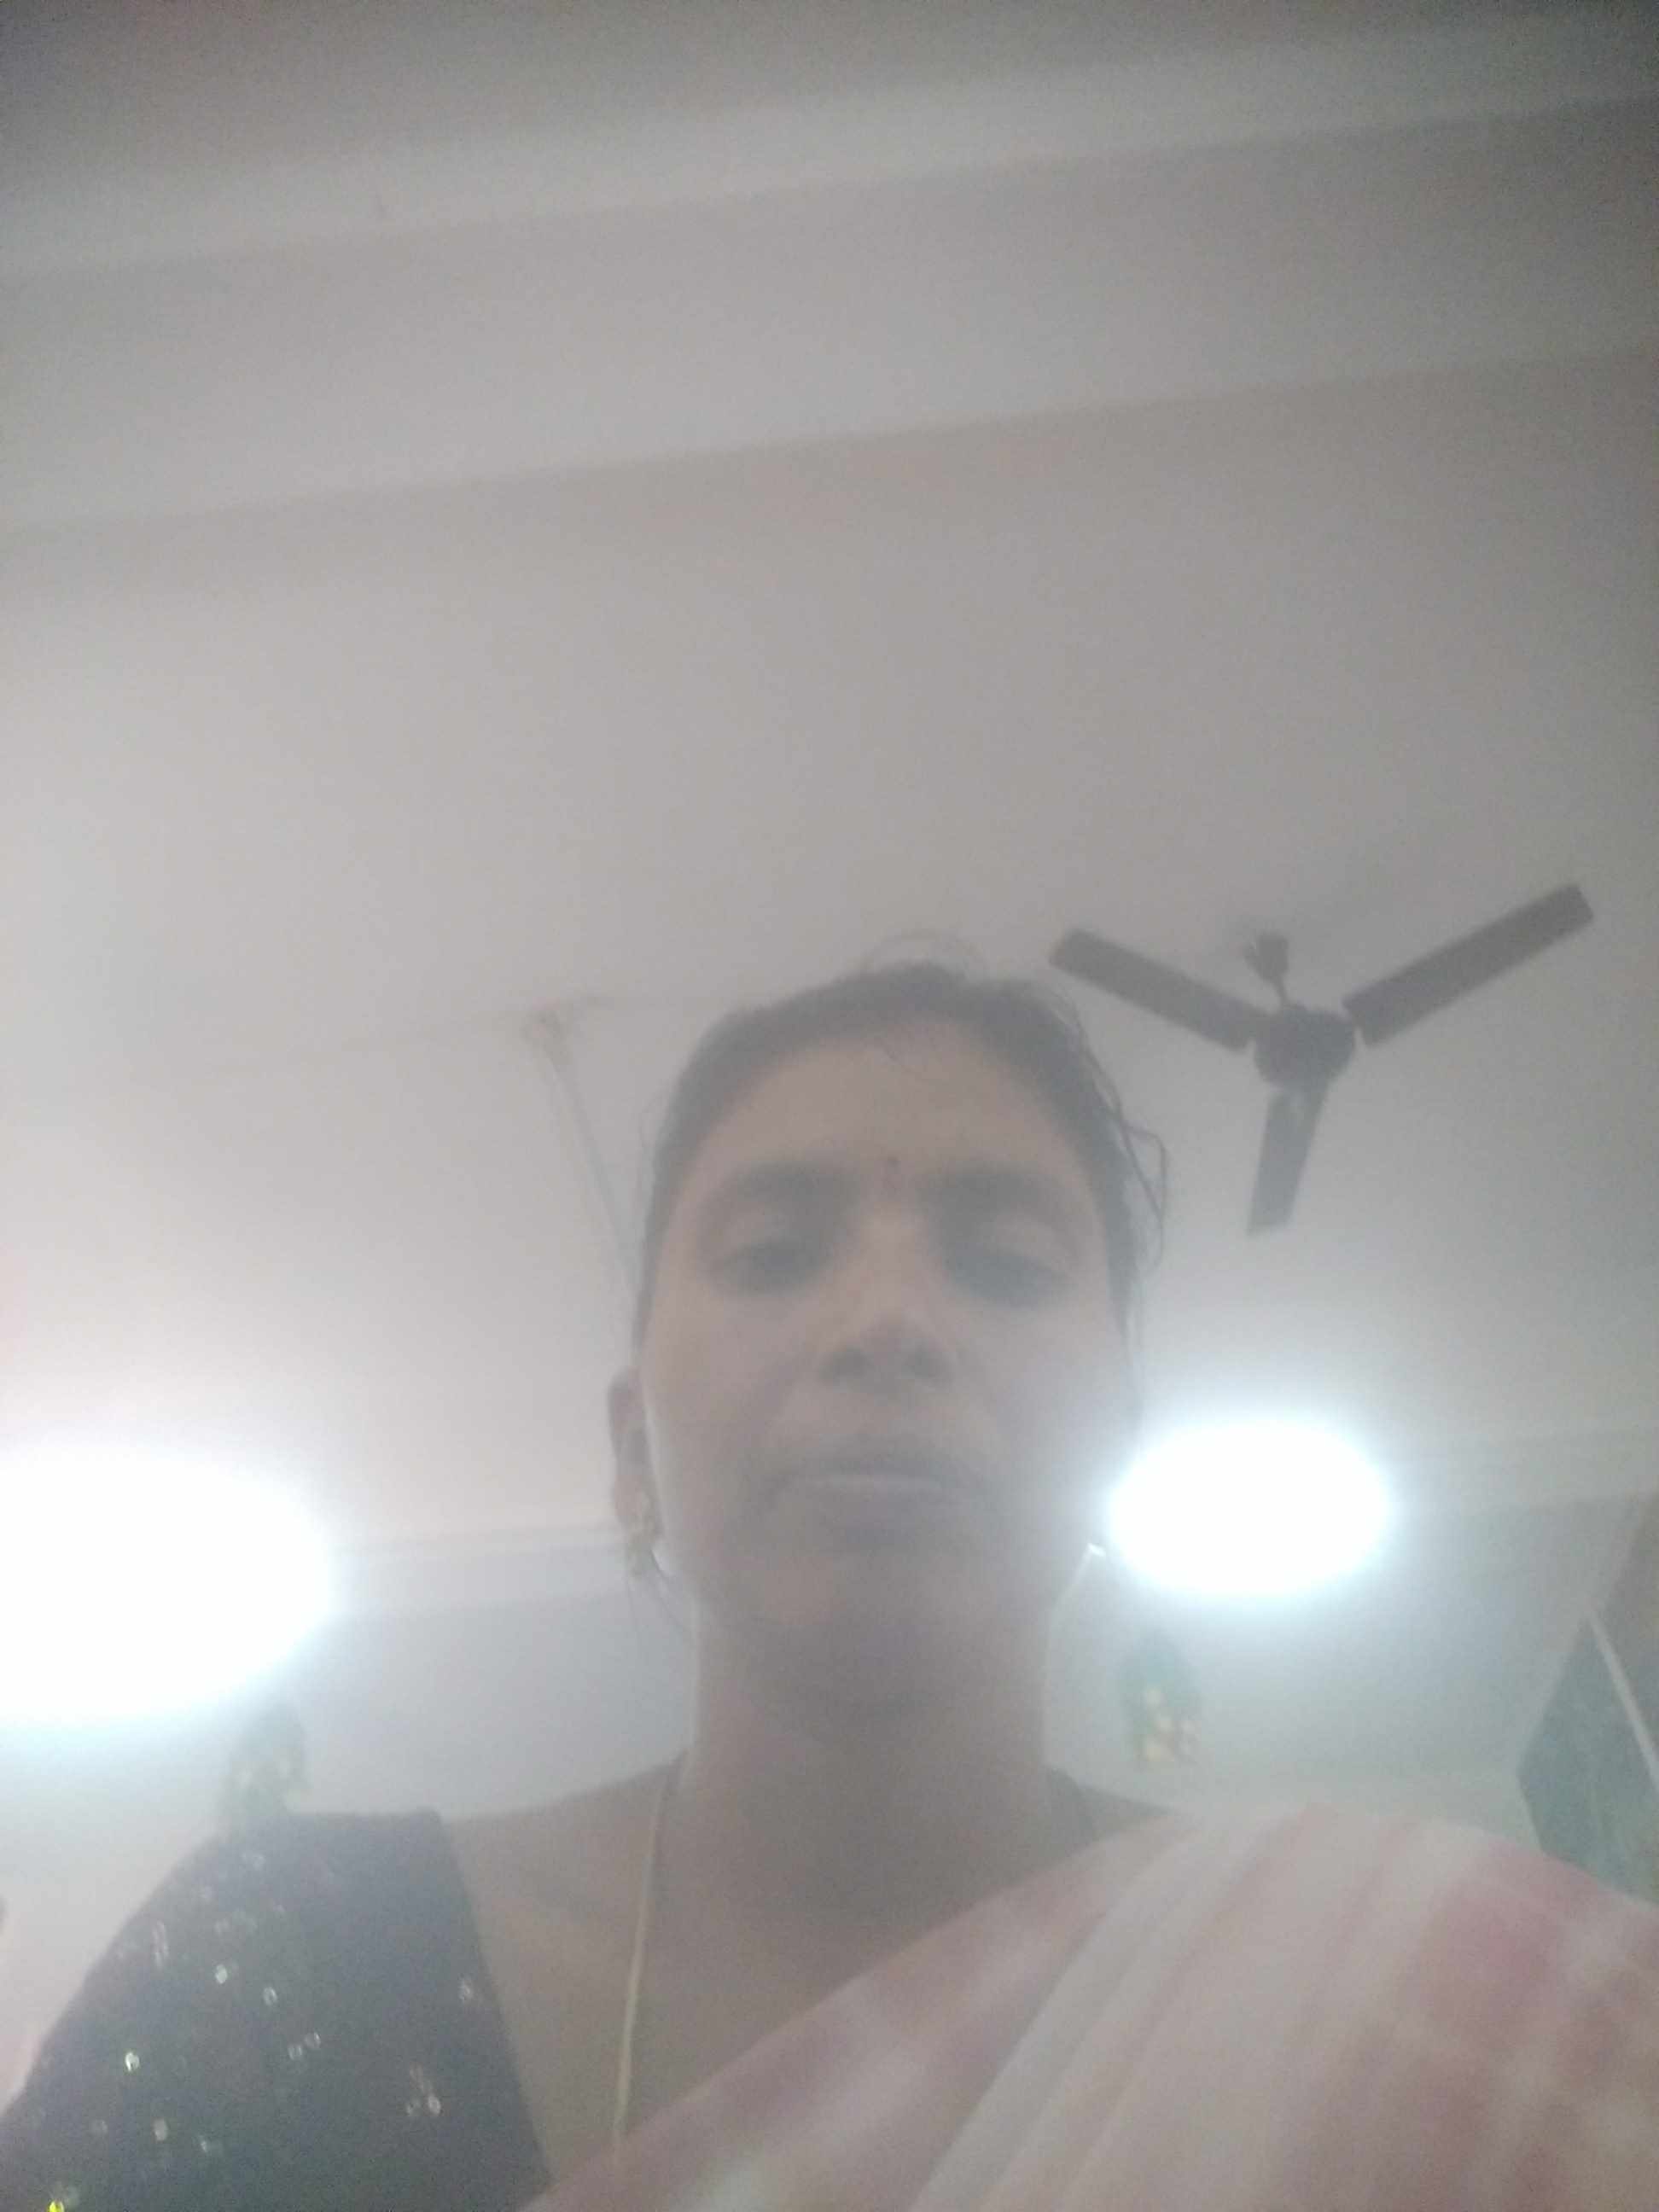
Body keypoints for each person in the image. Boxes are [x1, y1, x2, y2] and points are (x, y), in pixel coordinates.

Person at [4, 960, 1657, 2212]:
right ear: (633, 1447)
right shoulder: (290, 1963)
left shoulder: (1376, 2009)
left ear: (1117, 1442)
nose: (888, 1325)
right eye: (774, 1253)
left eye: (1004, 1265)